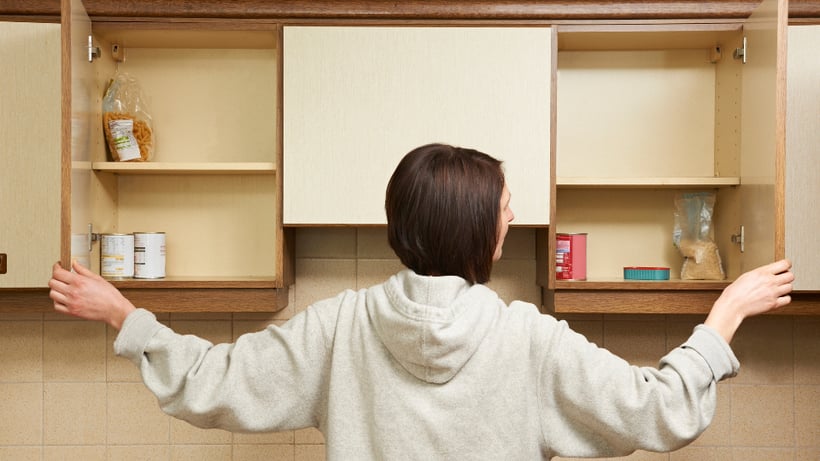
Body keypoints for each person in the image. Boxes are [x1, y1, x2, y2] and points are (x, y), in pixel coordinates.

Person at [49, 143, 794, 460]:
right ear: (482, 230)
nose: (510, 219)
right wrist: (725, 311)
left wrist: (124, 314)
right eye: (505, 208)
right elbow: (655, 407)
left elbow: (213, 380)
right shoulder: (526, 336)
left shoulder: (340, 325)